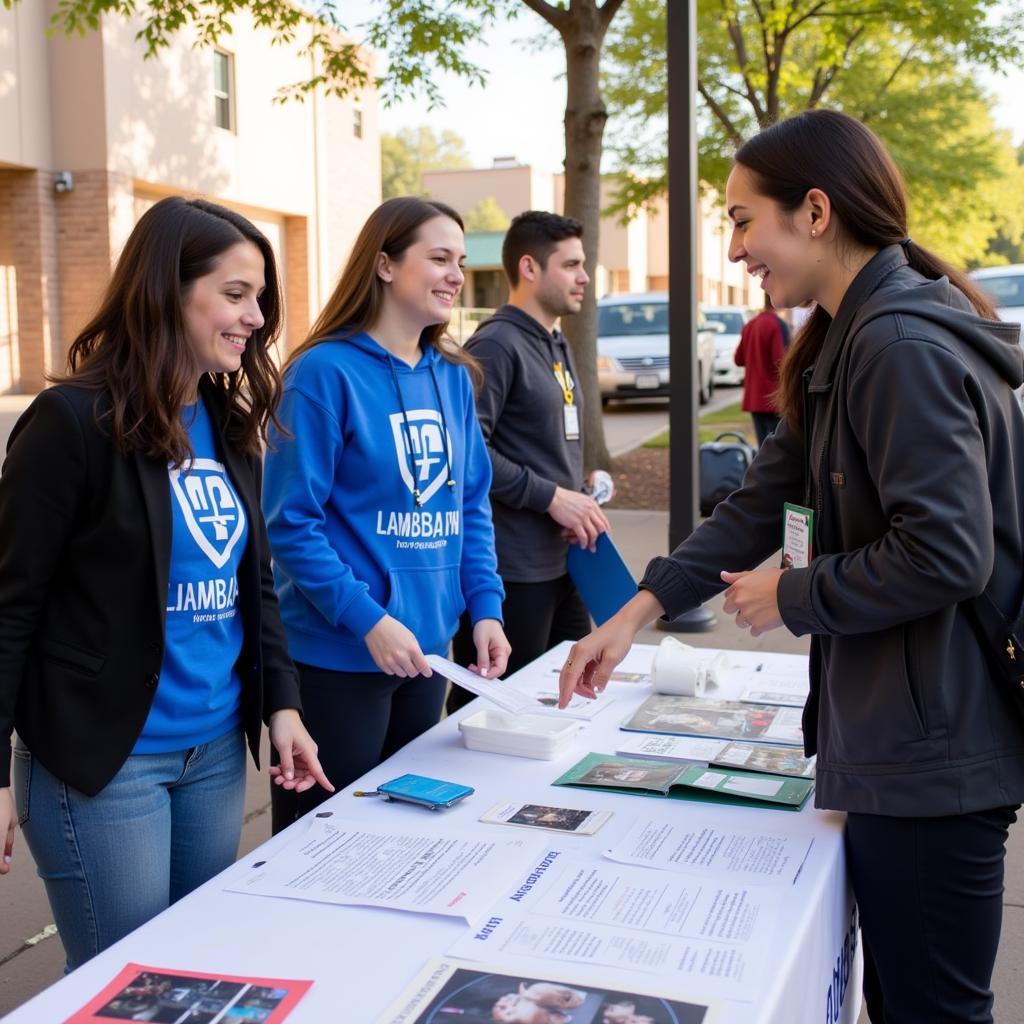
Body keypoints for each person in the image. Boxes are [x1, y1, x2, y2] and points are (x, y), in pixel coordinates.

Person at [559, 109, 1024, 1023]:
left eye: (741, 220)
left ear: (815, 211)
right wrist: (634, 613)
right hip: (904, 738)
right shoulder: (846, 341)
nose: (735, 250)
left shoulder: (897, 346)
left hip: (936, 754)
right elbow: (762, 501)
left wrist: (795, 593)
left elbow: (945, 553)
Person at [0, 196, 331, 971]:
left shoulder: (232, 421)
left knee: (196, 974)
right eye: (236, 294)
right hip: (104, 766)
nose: (256, 318)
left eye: (260, 299)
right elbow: (9, 607)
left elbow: (258, 584)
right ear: (166, 290)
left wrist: (281, 704)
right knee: (133, 989)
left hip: (215, 755)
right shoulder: (70, 423)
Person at [262, 196, 510, 832]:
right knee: (319, 843)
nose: (457, 274)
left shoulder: (454, 377)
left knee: (400, 837)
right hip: (339, 658)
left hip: (429, 656)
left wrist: (485, 607)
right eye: (439, 258)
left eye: (461, 260)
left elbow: (470, 506)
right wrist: (367, 620)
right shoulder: (322, 374)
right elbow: (291, 522)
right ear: (384, 265)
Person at [447, 211, 610, 712]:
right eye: (572, 265)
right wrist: (551, 496)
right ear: (530, 268)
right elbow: (468, 453)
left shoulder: (555, 341)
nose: (584, 277)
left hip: (566, 564)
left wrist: (581, 481)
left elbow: (540, 441)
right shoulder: (496, 344)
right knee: (498, 710)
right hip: (512, 571)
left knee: (565, 700)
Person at [733, 295, 787, 444]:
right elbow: (780, 362)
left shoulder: (750, 325)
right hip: (773, 398)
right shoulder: (776, 325)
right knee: (776, 449)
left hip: (753, 398)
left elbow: (738, 359)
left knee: (761, 447)